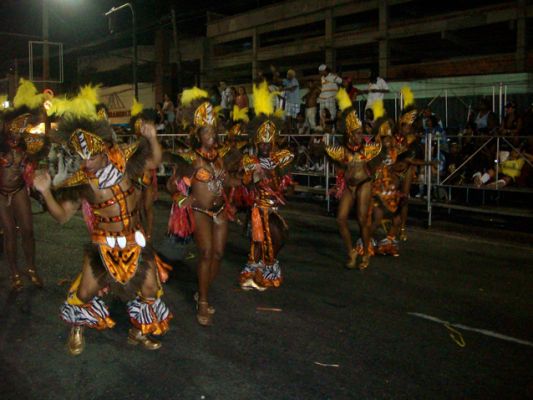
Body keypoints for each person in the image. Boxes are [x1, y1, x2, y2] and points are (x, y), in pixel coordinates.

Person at [33, 86, 171, 356]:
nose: (87, 164)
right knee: (85, 294)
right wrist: (46, 192)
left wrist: (152, 138)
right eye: (82, 158)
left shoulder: (126, 162)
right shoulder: (82, 182)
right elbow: (62, 216)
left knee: (150, 289)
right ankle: (77, 327)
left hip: (134, 241)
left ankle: (139, 329)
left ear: (104, 150)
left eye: (92, 157)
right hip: (103, 247)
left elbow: (154, 160)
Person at [169, 87, 238, 326]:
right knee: (206, 253)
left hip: (220, 211)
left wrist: (245, 180)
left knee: (218, 254)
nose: (212, 135)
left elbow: (226, 182)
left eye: (214, 131)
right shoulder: (191, 160)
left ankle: (202, 290)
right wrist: (182, 199)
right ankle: (203, 302)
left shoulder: (220, 157)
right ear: (198, 135)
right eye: (207, 131)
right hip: (200, 211)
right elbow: (170, 185)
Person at [239, 81, 294, 291]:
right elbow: (246, 182)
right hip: (259, 208)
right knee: (261, 239)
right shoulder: (250, 161)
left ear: (272, 143)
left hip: (274, 207)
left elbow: (287, 183)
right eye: (261, 143)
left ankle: (266, 265)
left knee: (279, 236)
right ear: (256, 143)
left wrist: (284, 181)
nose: (263, 146)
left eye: (267, 143)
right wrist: (255, 176)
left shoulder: (280, 159)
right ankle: (258, 268)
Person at [325, 89, 382, 270]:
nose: (360, 136)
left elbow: (379, 151)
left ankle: (365, 253)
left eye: (361, 133)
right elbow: (339, 167)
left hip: (364, 184)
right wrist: (337, 186)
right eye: (357, 133)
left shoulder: (367, 148)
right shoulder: (343, 151)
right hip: (349, 186)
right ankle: (351, 252)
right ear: (350, 134)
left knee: (361, 219)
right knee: (340, 219)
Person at [0, 79, 48, 290]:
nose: (16, 131)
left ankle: (31, 268)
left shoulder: (27, 145)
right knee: (10, 232)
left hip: (19, 190)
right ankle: (14, 273)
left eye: (20, 127)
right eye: (13, 126)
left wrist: (43, 112)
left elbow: (44, 135)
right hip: (1, 194)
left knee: (28, 230)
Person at [282, 69, 300, 134]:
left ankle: (295, 134)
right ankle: (290, 134)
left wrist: (284, 88)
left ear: (292, 75)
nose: (287, 75)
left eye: (289, 74)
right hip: (289, 103)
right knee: (288, 119)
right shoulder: (287, 81)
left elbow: (292, 89)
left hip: (294, 103)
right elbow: (279, 81)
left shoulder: (294, 80)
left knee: (293, 119)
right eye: (287, 74)